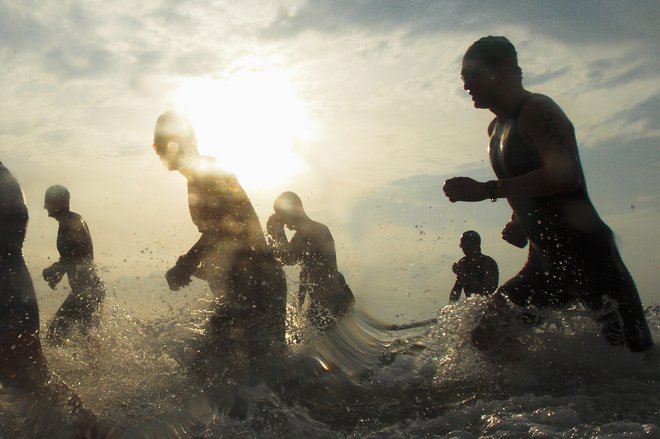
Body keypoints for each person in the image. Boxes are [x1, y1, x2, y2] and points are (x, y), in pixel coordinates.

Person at [443, 36, 653, 352]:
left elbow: (566, 176)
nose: (467, 85)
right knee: (486, 336)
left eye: (472, 75)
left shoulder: (538, 110)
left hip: (588, 257)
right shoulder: (495, 130)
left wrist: (487, 190)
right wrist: (518, 219)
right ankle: (544, 395)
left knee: (638, 360)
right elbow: (526, 182)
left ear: (502, 68)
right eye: (463, 79)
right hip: (544, 261)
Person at [151, 111, 287, 366]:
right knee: (254, 374)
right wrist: (204, 269)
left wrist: (186, 264)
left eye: (158, 145)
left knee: (208, 368)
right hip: (253, 282)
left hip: (258, 283)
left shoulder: (206, 172)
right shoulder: (199, 174)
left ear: (175, 143)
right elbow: (229, 239)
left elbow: (224, 228)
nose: (157, 153)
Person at [267, 192, 355, 332]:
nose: (285, 225)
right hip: (332, 300)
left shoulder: (311, 231)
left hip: (330, 304)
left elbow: (288, 259)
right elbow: (295, 264)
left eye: (282, 218)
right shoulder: (310, 232)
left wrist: (277, 232)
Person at [0, 161, 50, 388]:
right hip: (14, 282)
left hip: (8, 287)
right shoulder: (6, 179)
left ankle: (87, 425)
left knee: (27, 373)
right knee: (28, 372)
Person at [42, 185, 105, 345]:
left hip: (87, 292)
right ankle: (98, 369)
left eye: (47, 203)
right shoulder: (70, 221)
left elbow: (78, 255)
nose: (45, 208)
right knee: (89, 341)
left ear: (56, 203)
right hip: (87, 291)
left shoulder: (72, 222)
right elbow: (72, 255)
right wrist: (59, 272)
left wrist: (56, 268)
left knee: (54, 336)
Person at [449, 230, 498, 303]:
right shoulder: (463, 263)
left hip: (488, 305)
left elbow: (489, 291)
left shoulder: (488, 263)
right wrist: (450, 305)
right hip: (472, 305)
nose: (463, 248)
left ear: (476, 245)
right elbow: (457, 289)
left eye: (465, 245)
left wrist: (463, 275)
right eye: (462, 245)